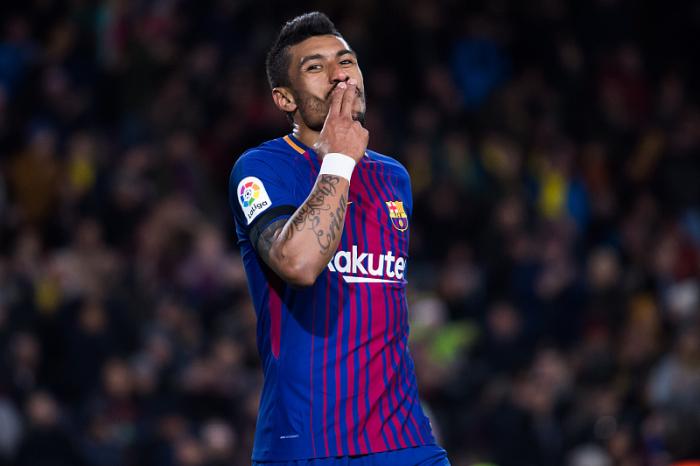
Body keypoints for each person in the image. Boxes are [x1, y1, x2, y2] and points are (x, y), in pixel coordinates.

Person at [228, 12, 450, 466]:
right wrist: (339, 162)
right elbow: (299, 263)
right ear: (285, 98)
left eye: (346, 61)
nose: (338, 75)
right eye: (315, 67)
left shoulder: (393, 177)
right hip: (307, 444)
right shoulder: (261, 169)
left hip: (406, 439)